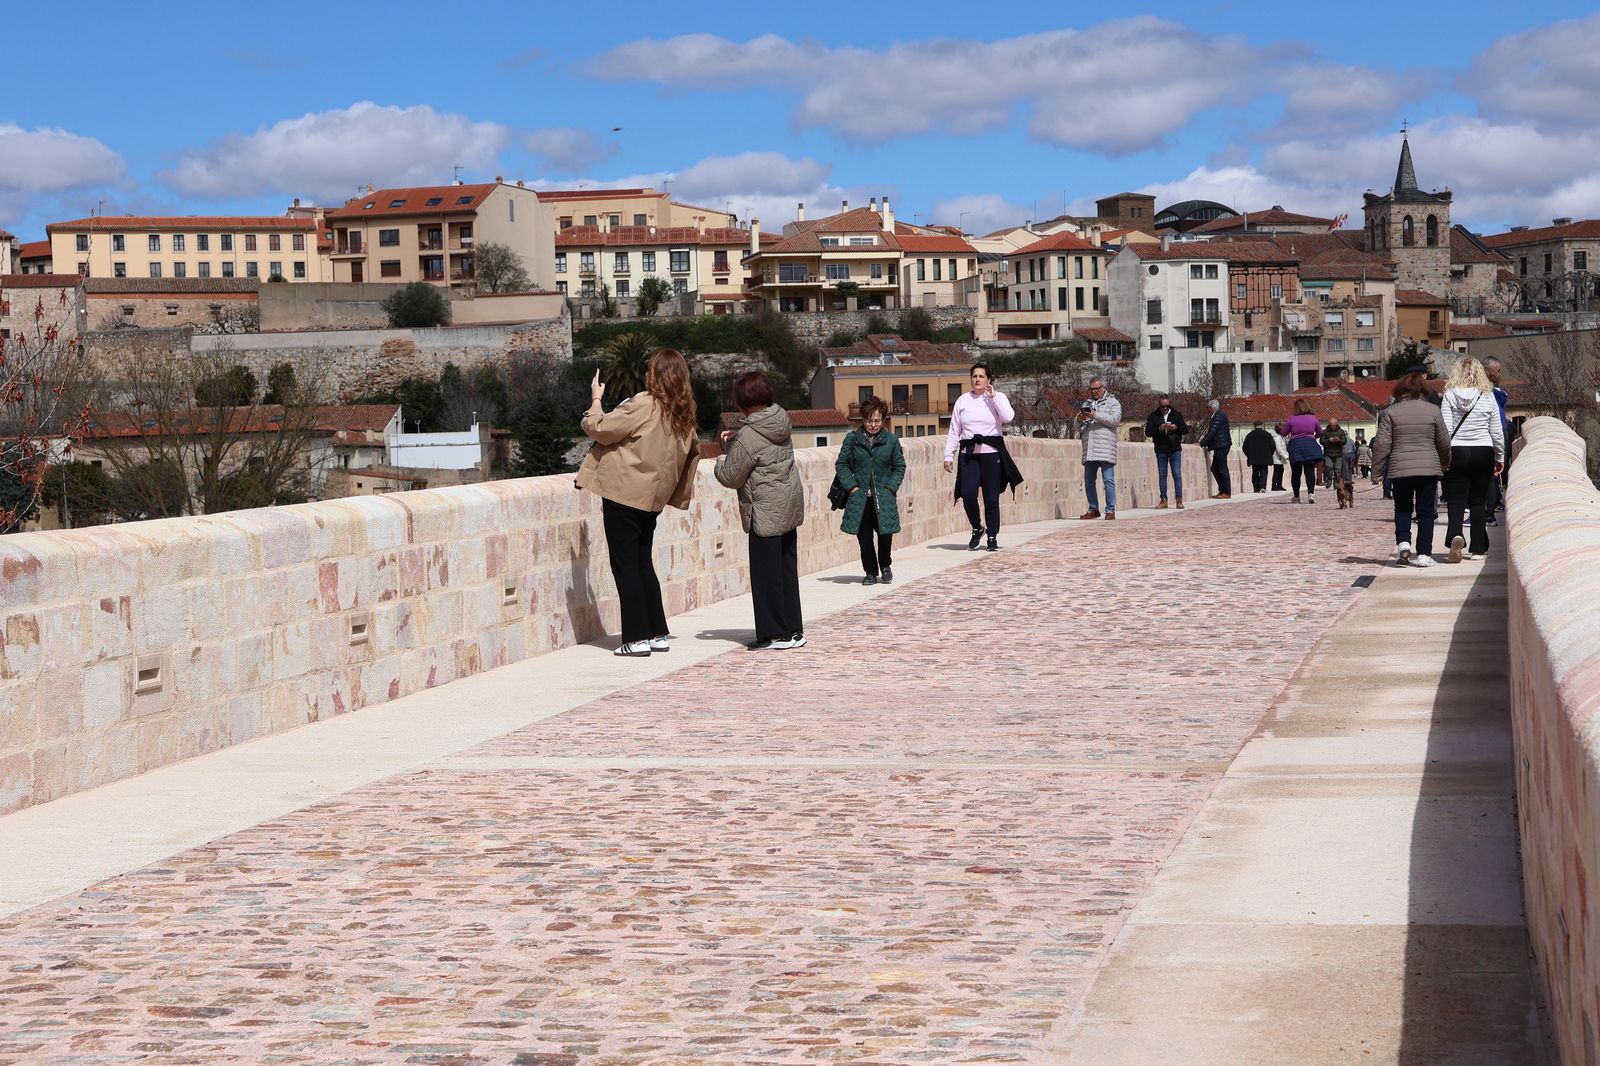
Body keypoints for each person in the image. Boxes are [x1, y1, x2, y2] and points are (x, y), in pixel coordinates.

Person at [575, 348, 701, 658]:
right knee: (643, 563)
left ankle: (635, 638)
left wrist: (595, 400)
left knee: (626, 566)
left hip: (624, 493)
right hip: (652, 499)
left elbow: (600, 429)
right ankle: (656, 631)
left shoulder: (644, 405)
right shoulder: (683, 412)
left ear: (654, 374)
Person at [716, 371, 806, 650]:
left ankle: (773, 633)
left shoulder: (749, 436)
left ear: (744, 401)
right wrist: (739, 435)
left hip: (765, 512)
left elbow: (731, 475)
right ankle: (793, 630)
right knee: (786, 572)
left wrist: (722, 457)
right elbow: (757, 439)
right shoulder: (780, 419)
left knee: (766, 576)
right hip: (788, 505)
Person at [1371, 368, 1449, 567]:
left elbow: (1381, 444)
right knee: (1425, 512)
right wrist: (1445, 461)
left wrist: (1377, 471)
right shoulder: (1433, 411)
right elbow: (1443, 441)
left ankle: (1404, 543)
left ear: (1400, 390)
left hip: (1400, 468)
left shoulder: (1390, 412)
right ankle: (1423, 554)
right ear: (1424, 390)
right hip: (1428, 468)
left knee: (1402, 508)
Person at [944, 363, 1021, 551]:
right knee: (968, 494)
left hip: (991, 454)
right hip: (969, 454)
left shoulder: (997, 398)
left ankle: (992, 535)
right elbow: (955, 430)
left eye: (981, 376)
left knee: (991, 499)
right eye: (974, 376)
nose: (977, 379)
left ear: (989, 380)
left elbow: (1008, 417)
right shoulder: (963, 401)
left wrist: (994, 397)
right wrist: (948, 455)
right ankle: (977, 527)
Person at [1440, 356, 1505, 564]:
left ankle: (1455, 536)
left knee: (1456, 500)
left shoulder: (1449, 396)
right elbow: (1497, 432)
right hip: (1483, 451)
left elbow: (1445, 430)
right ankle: (1478, 548)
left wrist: (1444, 457)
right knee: (1478, 501)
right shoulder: (1488, 397)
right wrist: (1500, 457)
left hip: (1457, 450)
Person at [836, 396, 906, 585]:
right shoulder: (852, 439)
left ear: (883, 420)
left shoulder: (891, 441)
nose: (873, 425)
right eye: (869, 420)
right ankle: (869, 571)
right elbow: (841, 464)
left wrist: (890, 488)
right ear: (863, 420)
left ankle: (885, 565)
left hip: (883, 497)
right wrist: (852, 487)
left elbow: (899, 466)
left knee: (885, 535)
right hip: (860, 499)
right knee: (864, 539)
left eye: (877, 420)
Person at [1078, 376, 1122, 519]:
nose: (1094, 391)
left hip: (1105, 447)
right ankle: (1093, 509)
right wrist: (1080, 419)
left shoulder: (1113, 403)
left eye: (1097, 389)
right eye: (1092, 389)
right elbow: (1075, 427)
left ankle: (1110, 510)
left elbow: (1115, 420)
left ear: (1103, 388)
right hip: (1090, 447)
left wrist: (1096, 415)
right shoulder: (1087, 403)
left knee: (1108, 480)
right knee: (1089, 481)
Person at [1142, 395, 1188, 509]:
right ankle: (1163, 499)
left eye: (1167, 406)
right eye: (1163, 407)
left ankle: (1179, 499)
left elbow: (1185, 429)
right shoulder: (1154, 416)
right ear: (1159, 406)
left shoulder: (1176, 415)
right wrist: (1159, 428)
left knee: (1176, 474)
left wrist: (1175, 427)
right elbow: (1147, 432)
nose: (1165, 409)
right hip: (1161, 449)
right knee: (1162, 475)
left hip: (1174, 448)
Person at [1482, 356, 1511, 524]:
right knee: (1492, 474)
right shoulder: (1498, 392)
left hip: (1490, 433)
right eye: (1498, 370)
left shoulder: (1488, 392)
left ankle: (1488, 513)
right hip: (1499, 432)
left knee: (1487, 475)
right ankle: (1490, 511)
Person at [1278, 398, 1323, 504]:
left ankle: (1297, 496)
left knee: (1296, 473)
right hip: (1310, 446)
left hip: (1296, 446)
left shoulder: (1291, 419)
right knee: (1310, 471)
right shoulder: (1313, 418)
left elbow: (1284, 433)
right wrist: (1312, 437)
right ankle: (1311, 494)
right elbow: (1320, 432)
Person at [1198, 399, 1232, 498]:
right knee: (1215, 468)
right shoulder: (1220, 415)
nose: (1207, 410)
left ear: (1211, 408)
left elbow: (1212, 432)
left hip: (1221, 445)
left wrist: (1202, 443)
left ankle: (1226, 492)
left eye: (1208, 408)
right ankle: (1222, 490)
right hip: (1221, 445)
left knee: (1222, 468)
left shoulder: (1218, 416)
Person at [1242, 421, 1276, 494]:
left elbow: (1244, 447)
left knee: (1255, 472)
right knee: (1264, 471)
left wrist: (1249, 455)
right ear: (1262, 425)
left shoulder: (1249, 435)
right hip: (1265, 458)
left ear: (1254, 426)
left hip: (1254, 458)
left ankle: (1256, 487)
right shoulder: (1267, 435)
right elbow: (1273, 446)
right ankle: (1262, 487)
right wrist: (1269, 454)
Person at [1318, 419, 1348, 488]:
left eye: (1334, 425)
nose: (1333, 427)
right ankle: (1329, 481)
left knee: (1338, 469)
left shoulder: (1341, 431)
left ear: (1336, 424)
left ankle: (1336, 482)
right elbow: (1321, 441)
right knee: (1328, 467)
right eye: (1331, 425)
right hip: (1328, 453)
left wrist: (1338, 440)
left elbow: (1344, 441)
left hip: (1338, 454)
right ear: (1329, 424)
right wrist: (1329, 440)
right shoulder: (1325, 431)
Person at [1270, 424, 1288, 491]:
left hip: (1279, 458)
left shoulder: (1280, 436)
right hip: (1277, 457)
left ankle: (1279, 485)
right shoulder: (1276, 437)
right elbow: (1279, 449)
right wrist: (1286, 456)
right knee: (1277, 472)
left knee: (1280, 471)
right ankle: (1274, 486)